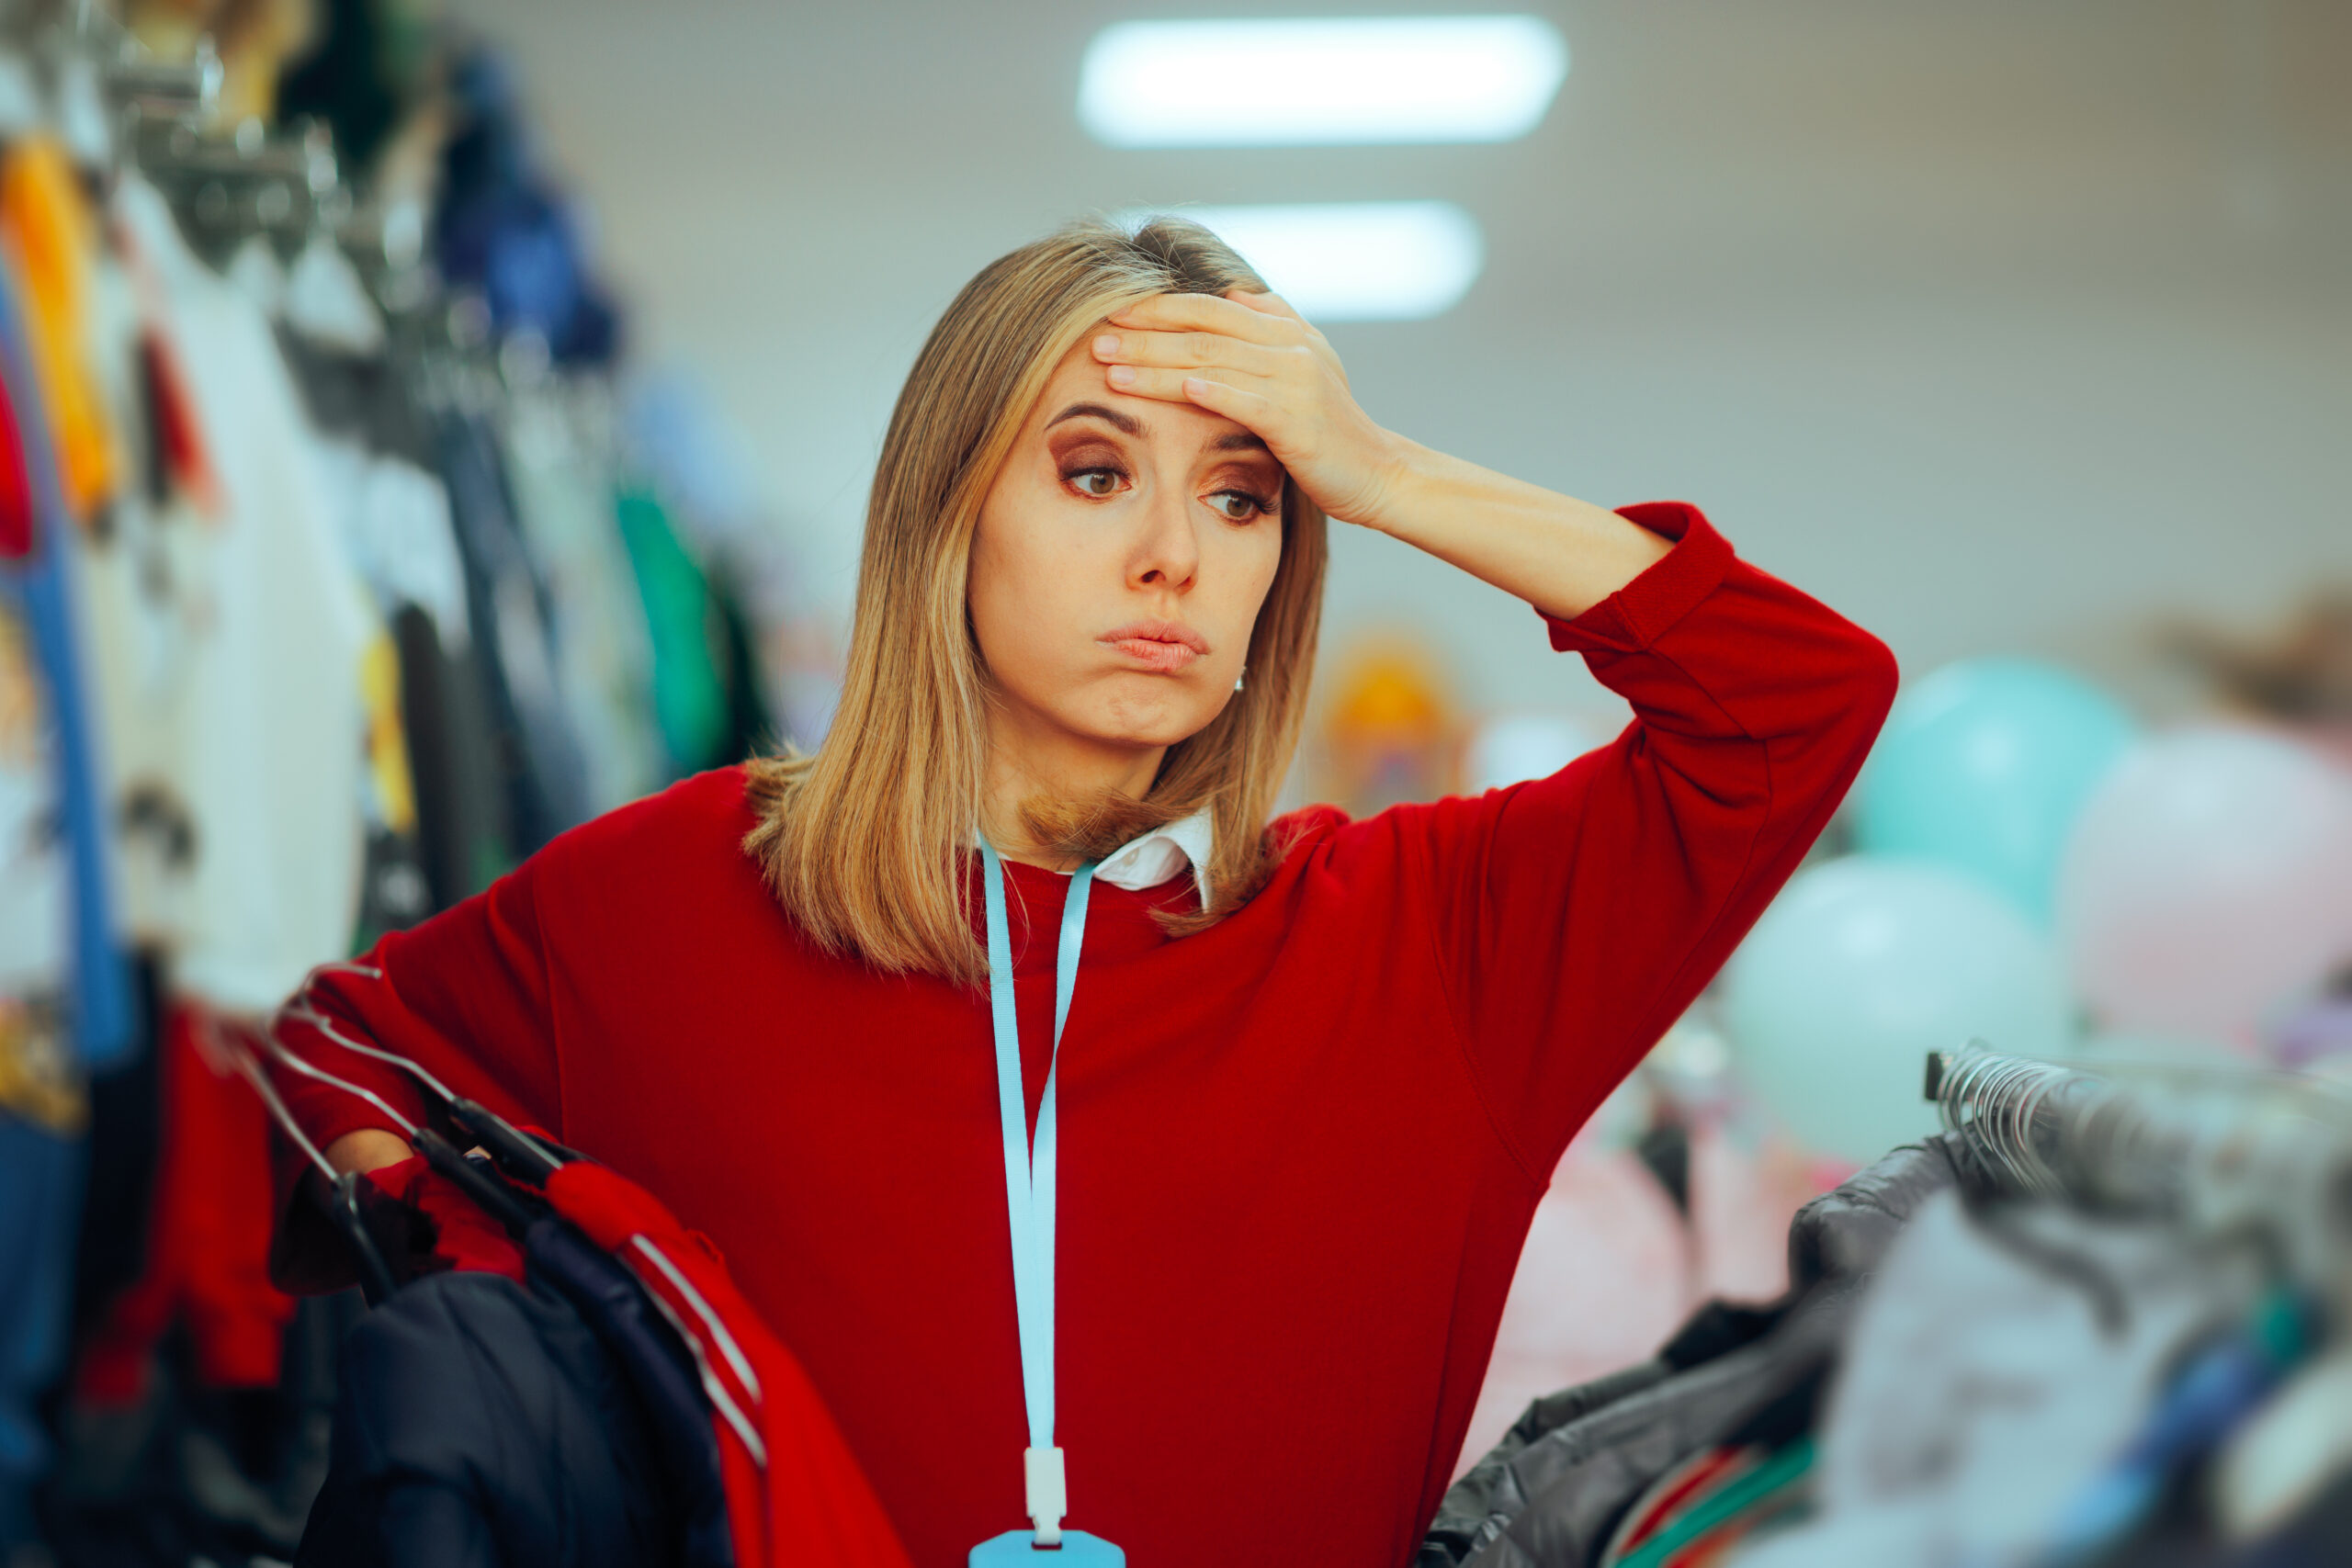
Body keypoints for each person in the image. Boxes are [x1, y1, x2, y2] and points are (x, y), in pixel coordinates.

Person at [266, 216, 1898, 1567]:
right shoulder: (685, 890)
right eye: (1097, 472)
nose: (1176, 557)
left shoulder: (1434, 942)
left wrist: (1381, 469)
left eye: (1246, 495)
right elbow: (329, 1050)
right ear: (947, 515)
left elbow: (1799, 702)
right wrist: (557, 1312)